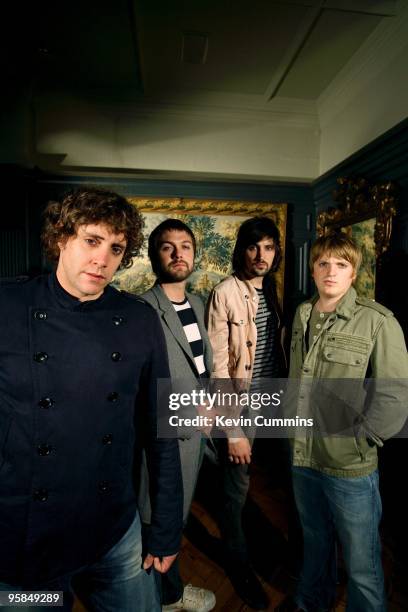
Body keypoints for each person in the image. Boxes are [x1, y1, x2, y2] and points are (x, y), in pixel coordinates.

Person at [0, 188, 183, 611]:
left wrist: (167, 528)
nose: (103, 259)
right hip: (26, 537)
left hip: (115, 530)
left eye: (116, 247)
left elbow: (162, 428)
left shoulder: (139, 319)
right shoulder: (9, 305)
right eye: (92, 240)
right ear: (62, 237)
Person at [277, 233, 408, 612]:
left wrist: (359, 442)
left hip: (349, 467)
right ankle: (310, 602)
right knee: (315, 540)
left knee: (361, 560)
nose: (330, 272)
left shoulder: (379, 322)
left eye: (341, 265)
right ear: (313, 269)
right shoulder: (303, 313)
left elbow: (395, 396)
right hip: (303, 456)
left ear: (354, 273)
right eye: (323, 264)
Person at [206, 216, 286, 610]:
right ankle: (239, 566)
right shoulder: (224, 293)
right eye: (254, 247)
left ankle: (279, 559)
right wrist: (233, 428)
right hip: (241, 405)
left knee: (273, 485)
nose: (261, 255)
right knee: (235, 491)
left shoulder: (271, 288)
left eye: (269, 247)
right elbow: (218, 367)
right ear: (242, 249)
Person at [139, 219, 216, 612]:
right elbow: (142, 390)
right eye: (167, 246)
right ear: (155, 255)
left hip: (197, 436)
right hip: (167, 440)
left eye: (185, 245)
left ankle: (167, 590)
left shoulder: (199, 304)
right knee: (158, 514)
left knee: (177, 513)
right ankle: (166, 598)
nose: (178, 253)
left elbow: (201, 368)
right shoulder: (142, 310)